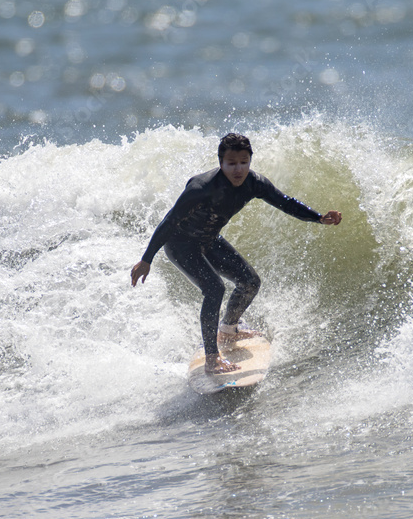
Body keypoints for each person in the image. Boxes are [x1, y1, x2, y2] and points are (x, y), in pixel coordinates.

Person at [130, 133, 342, 374]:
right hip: (180, 244)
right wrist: (147, 259)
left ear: (250, 160)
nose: (238, 169)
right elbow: (169, 221)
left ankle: (228, 330)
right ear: (221, 163)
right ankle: (212, 359)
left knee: (250, 282)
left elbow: (285, 202)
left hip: (209, 240)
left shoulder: (254, 183)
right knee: (215, 288)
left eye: (244, 162)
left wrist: (318, 218)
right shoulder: (201, 188)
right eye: (231, 163)